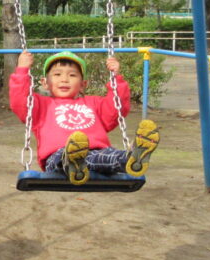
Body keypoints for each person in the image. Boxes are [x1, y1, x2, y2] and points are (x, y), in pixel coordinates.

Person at [9, 49, 160, 185]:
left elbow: (117, 109)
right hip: (58, 156)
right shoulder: (40, 105)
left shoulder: (94, 103)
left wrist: (116, 78)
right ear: (45, 83)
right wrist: (22, 69)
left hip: (96, 153)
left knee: (110, 156)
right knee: (66, 157)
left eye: (72, 75)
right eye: (57, 74)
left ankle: (134, 157)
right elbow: (19, 101)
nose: (64, 79)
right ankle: (73, 162)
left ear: (83, 84)